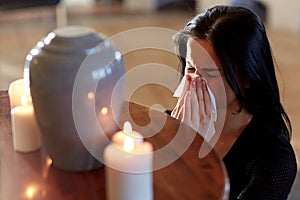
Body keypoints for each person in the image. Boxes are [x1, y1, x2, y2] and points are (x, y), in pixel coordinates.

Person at [171, 5, 297, 199]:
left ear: (247, 76)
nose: (194, 82)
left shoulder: (273, 159)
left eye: (209, 73)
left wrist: (189, 157)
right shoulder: (172, 125)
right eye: (190, 69)